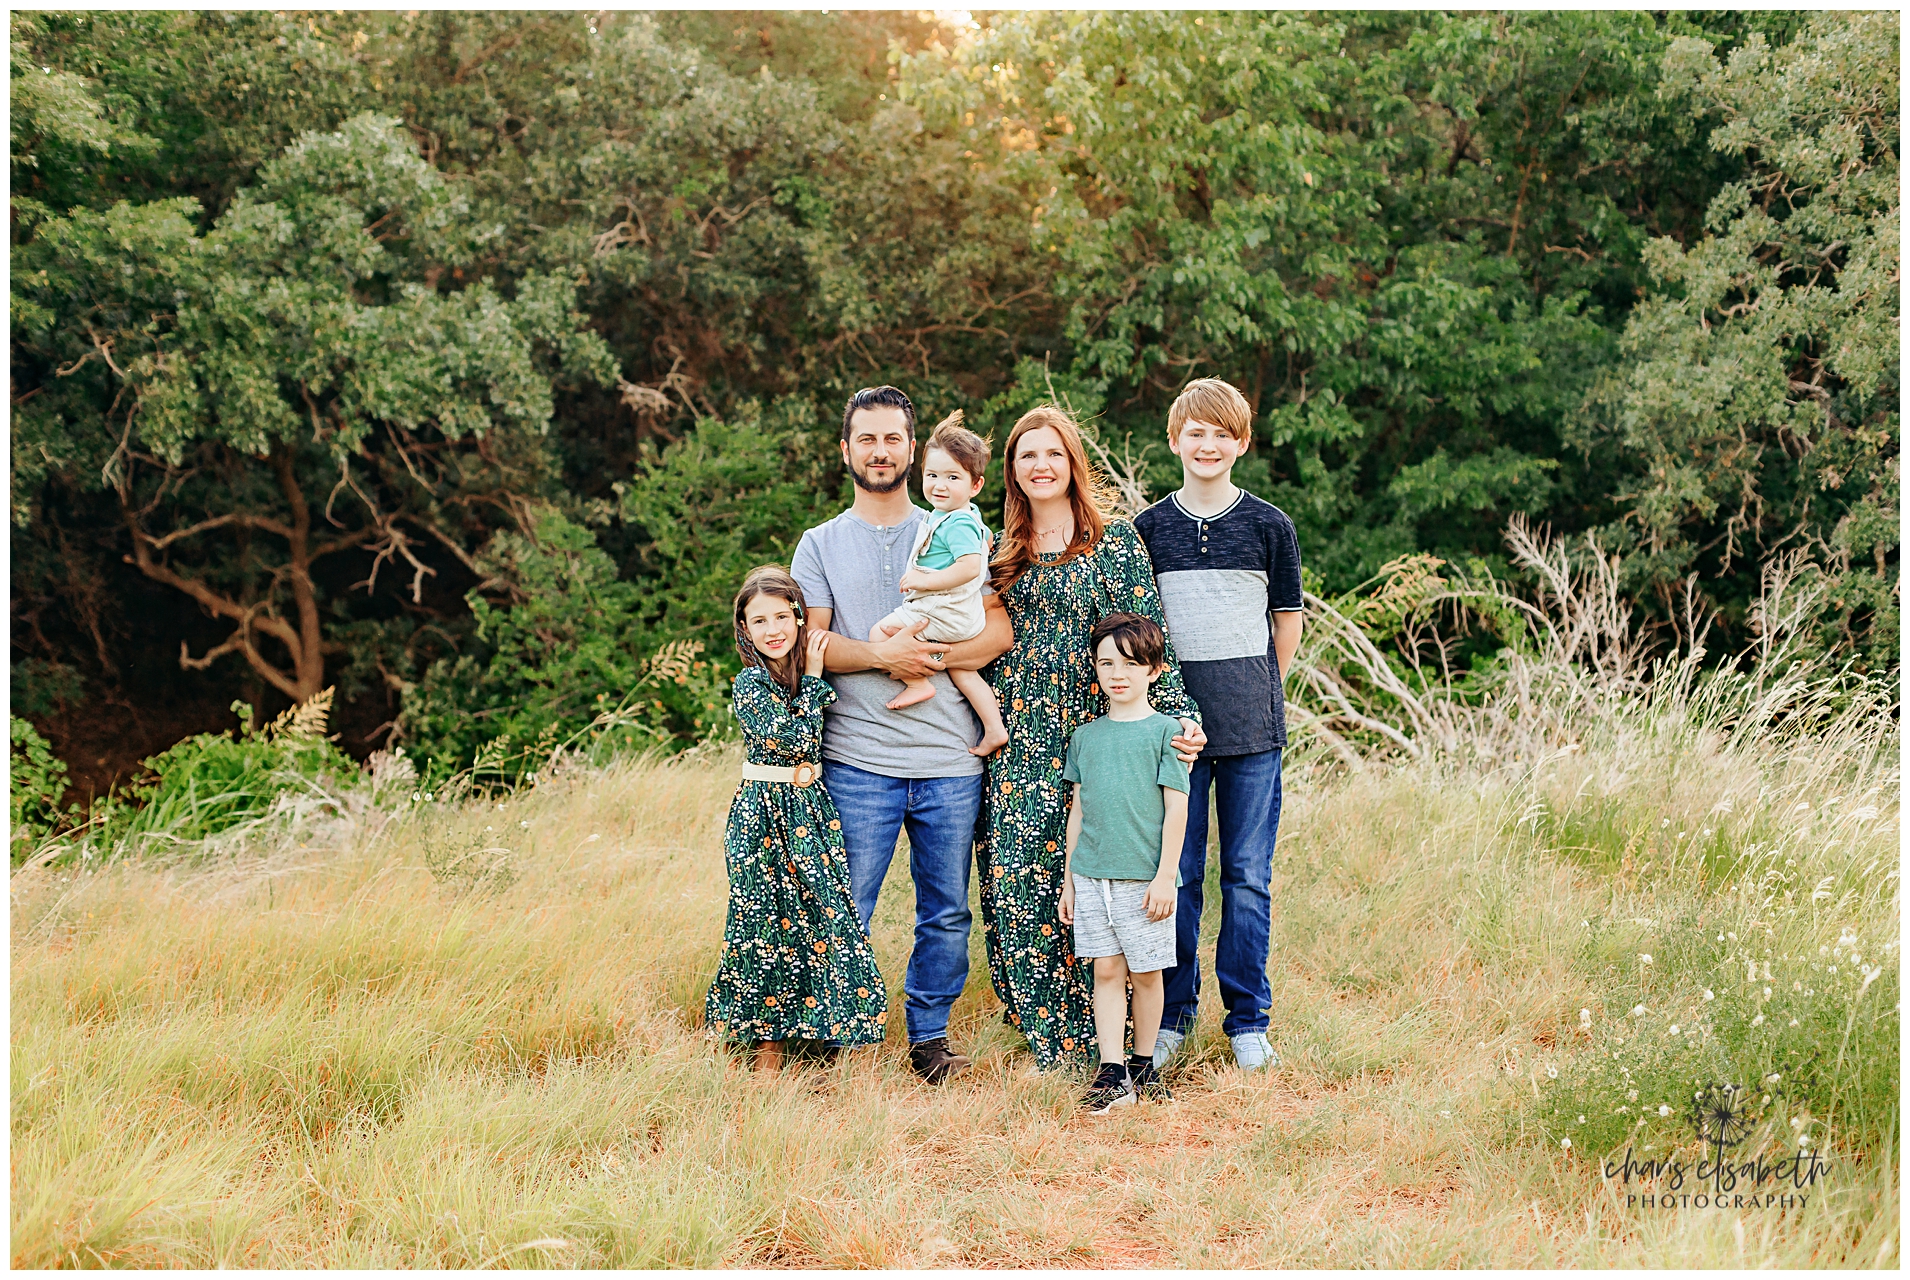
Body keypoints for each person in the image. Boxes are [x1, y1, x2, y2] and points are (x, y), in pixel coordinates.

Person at [790, 386, 1015, 1084]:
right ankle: (836, 1032)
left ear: (912, 449)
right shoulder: (820, 544)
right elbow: (808, 645)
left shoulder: (955, 523)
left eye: (893, 439)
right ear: (846, 449)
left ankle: (929, 1038)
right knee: (846, 902)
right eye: (867, 439)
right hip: (858, 757)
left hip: (951, 759)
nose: (880, 451)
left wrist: (936, 658)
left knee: (945, 910)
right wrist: (884, 656)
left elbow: (999, 628)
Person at [978, 403, 1205, 1073]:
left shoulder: (1113, 542)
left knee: (1104, 886)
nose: (1040, 465)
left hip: (1099, 738)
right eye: (1027, 456)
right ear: (1014, 472)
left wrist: (1180, 717)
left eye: (1052, 453)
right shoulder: (998, 550)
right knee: (1022, 885)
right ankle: (1052, 1040)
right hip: (1021, 740)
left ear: (1071, 463)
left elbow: (1145, 638)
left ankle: (1117, 1048)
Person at [1132, 378, 1304, 1073]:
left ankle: (1248, 1021)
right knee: (1176, 874)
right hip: (1173, 732)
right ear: (1175, 440)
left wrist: (1256, 691)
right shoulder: (1149, 530)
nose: (1208, 445)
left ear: (1241, 443)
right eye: (1194, 432)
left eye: (1221, 434)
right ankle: (1173, 1015)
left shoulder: (1269, 526)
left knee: (1247, 875)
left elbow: (1286, 624)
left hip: (1252, 732)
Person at [704, 566, 890, 1072]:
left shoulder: (806, 675)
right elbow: (788, 738)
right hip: (761, 813)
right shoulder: (750, 683)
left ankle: (841, 1040)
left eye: (781, 617)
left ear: (798, 617)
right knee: (761, 928)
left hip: (810, 811)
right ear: (744, 628)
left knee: (826, 918)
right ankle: (764, 1054)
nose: (773, 630)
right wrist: (812, 679)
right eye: (758, 620)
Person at [1059, 613, 1190, 1112]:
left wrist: (1164, 878)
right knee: (1107, 971)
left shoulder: (1166, 733)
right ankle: (1111, 1071)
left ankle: (1143, 1065)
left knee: (1148, 973)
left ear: (1154, 670)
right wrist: (1072, 883)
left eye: (1132, 664)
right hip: (1093, 877)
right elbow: (1079, 811)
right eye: (1107, 663)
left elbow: (1177, 808)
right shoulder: (1086, 738)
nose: (1118, 674)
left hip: (1145, 881)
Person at [868, 411, 1010, 756]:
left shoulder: (957, 522)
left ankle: (917, 683)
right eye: (932, 475)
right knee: (963, 670)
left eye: (952, 477)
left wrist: (924, 580)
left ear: (975, 485)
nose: (939, 485)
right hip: (959, 617)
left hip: (946, 608)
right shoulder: (958, 516)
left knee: (879, 635)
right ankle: (994, 728)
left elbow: (968, 569)